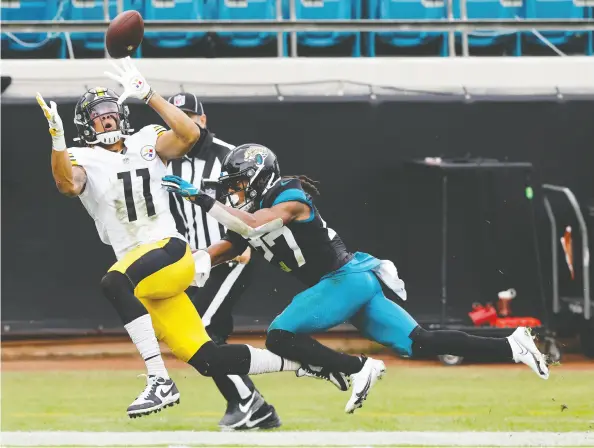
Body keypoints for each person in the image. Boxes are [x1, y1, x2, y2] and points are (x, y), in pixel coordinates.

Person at [36, 59, 336, 420]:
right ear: (87, 124)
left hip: (168, 249)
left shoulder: (147, 140)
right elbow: (68, 184)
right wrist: (56, 140)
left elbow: (189, 136)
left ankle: (159, 380)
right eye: (98, 114)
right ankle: (306, 365)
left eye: (111, 111)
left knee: (114, 282)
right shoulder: (79, 156)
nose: (107, 118)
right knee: (208, 358)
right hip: (145, 271)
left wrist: (149, 94)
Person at [162, 143, 551, 412]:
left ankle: (355, 368)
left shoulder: (289, 197)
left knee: (280, 335)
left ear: (260, 176)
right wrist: (189, 265)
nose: (234, 194)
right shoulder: (249, 212)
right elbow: (227, 245)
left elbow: (248, 224)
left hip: (344, 280)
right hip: (350, 284)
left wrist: (199, 197)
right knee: (420, 343)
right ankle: (512, 345)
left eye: (239, 184)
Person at [165, 92, 279, 430]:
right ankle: (251, 405)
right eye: (175, 116)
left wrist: (244, 240)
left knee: (199, 329)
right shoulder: (165, 158)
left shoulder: (230, 156)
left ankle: (248, 401)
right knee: (200, 334)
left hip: (232, 254)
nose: (182, 122)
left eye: (188, 116)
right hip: (195, 261)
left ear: (202, 120)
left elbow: (259, 197)